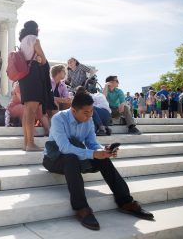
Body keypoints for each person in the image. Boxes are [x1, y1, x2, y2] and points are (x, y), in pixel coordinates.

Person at [42, 92, 154, 231]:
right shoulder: (59, 118)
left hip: (77, 157)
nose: (90, 116)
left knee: (103, 160)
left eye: (91, 112)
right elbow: (64, 148)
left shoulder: (88, 119)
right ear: (73, 110)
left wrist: (103, 151)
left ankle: (126, 202)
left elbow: (92, 143)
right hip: (54, 159)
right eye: (86, 113)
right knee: (71, 158)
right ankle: (81, 209)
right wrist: (93, 153)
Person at [17, 20, 51, 151]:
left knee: (27, 111)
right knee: (31, 111)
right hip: (33, 75)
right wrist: (40, 59)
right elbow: (43, 59)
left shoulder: (22, 41)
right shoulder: (34, 39)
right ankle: (30, 144)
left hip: (24, 76)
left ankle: (27, 143)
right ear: (35, 29)